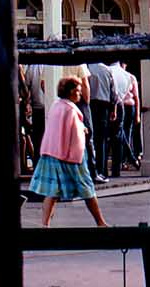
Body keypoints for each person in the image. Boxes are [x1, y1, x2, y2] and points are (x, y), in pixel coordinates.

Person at [30, 76, 108, 227]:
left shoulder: (56, 105)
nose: (80, 94)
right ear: (71, 92)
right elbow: (71, 133)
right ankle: (100, 222)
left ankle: (45, 224)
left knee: (52, 191)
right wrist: (83, 130)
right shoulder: (71, 109)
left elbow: (59, 129)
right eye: (78, 91)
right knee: (87, 187)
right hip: (70, 155)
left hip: (52, 152)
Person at [87, 62, 115, 179]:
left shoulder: (87, 68)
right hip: (104, 105)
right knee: (102, 140)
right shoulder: (107, 70)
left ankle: (92, 169)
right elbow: (114, 92)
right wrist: (113, 108)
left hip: (91, 104)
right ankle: (102, 169)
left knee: (90, 138)